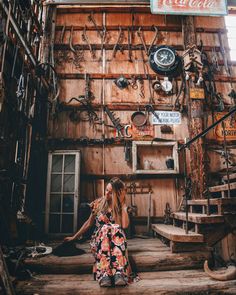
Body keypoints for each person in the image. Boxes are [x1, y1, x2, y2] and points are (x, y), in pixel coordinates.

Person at [64, 177, 130, 287]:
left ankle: (119, 274)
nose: (107, 194)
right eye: (106, 190)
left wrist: (123, 204)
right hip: (100, 242)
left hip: (116, 243)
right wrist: (74, 237)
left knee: (115, 228)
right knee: (105, 228)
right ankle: (104, 274)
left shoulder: (119, 205)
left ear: (117, 194)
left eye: (111, 192)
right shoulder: (98, 203)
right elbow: (88, 223)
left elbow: (124, 225)